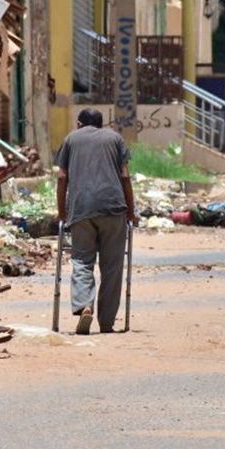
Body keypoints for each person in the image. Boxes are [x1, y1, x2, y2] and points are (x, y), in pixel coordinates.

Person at [55, 108, 138, 335]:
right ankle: (107, 323)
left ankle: (85, 306)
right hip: (113, 208)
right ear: (101, 124)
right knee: (112, 266)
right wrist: (131, 212)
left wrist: (62, 213)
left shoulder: (71, 139)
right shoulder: (115, 138)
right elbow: (124, 176)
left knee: (82, 261)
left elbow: (62, 177)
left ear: (80, 123)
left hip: (81, 209)